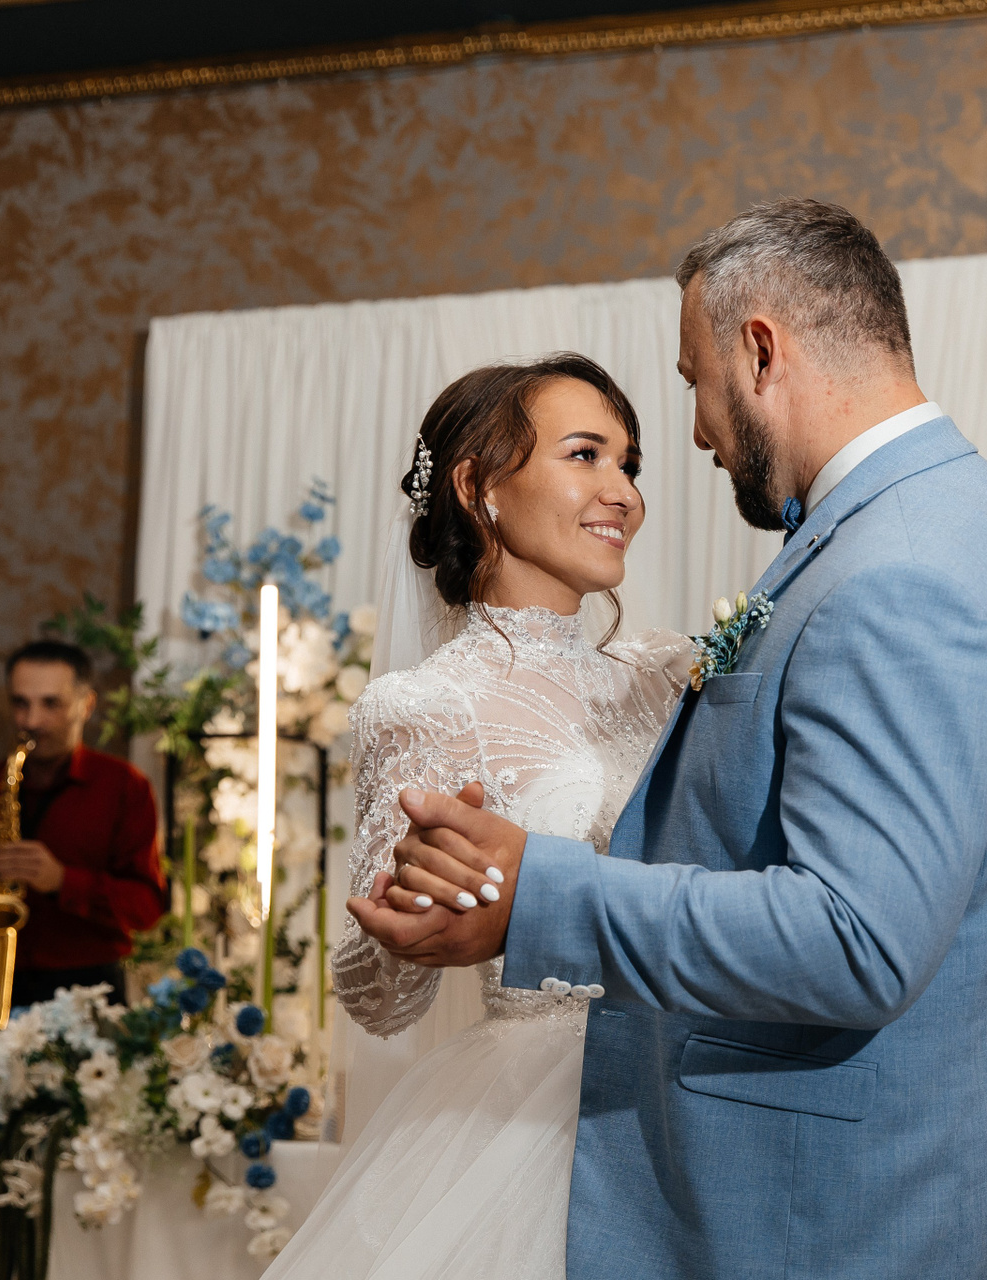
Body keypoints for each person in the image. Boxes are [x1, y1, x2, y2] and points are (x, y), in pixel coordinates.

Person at [355, 200, 987, 1278]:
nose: (699, 435)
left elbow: (856, 937)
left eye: (693, 383)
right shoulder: (935, 516)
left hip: (871, 1209)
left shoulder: (895, 570)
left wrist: (536, 894)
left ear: (759, 353)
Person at [264, 353, 691, 1279]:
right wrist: (410, 911)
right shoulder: (424, 707)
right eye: (585, 455)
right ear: (477, 486)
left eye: (628, 464)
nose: (623, 493)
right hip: (541, 1121)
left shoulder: (669, 675)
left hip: (693, 1086)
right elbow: (377, 1001)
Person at [0, 639, 164, 1009]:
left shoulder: (125, 787)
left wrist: (64, 880)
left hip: (87, 989)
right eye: (20, 703)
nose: (31, 721)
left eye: (51, 704)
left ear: (87, 705)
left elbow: (146, 906)